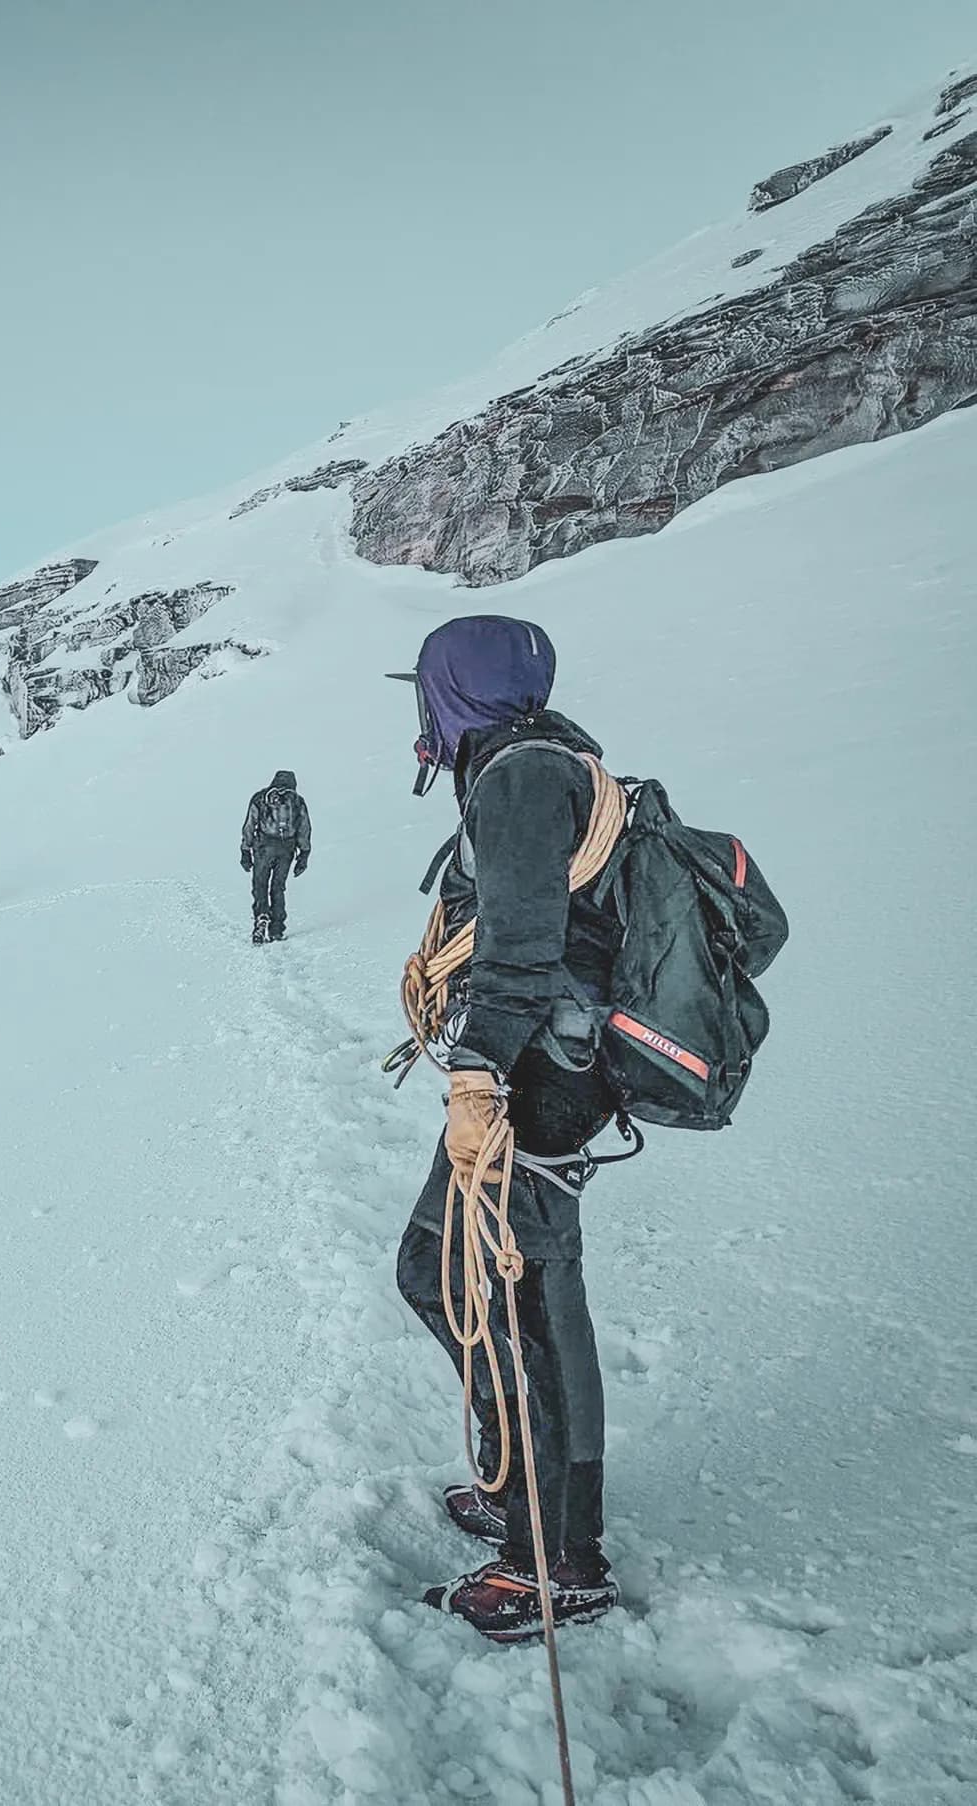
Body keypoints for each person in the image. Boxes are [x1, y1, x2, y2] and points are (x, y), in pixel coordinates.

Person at [389, 614, 623, 1644]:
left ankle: (558, 1556)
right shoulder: (534, 759)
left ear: (458, 692)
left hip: (537, 1080)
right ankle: (522, 1485)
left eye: (428, 694)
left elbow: (524, 946)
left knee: (525, 1298)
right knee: (446, 1267)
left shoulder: (524, 776)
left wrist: (479, 1074)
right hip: (538, 1067)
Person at [239, 769, 311, 942]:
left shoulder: (260, 798)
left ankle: (261, 916)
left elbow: (250, 824)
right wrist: (304, 854)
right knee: (278, 887)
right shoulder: (297, 801)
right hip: (287, 848)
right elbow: (304, 829)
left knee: (260, 883)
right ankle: (277, 928)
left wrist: (245, 850)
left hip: (263, 847)